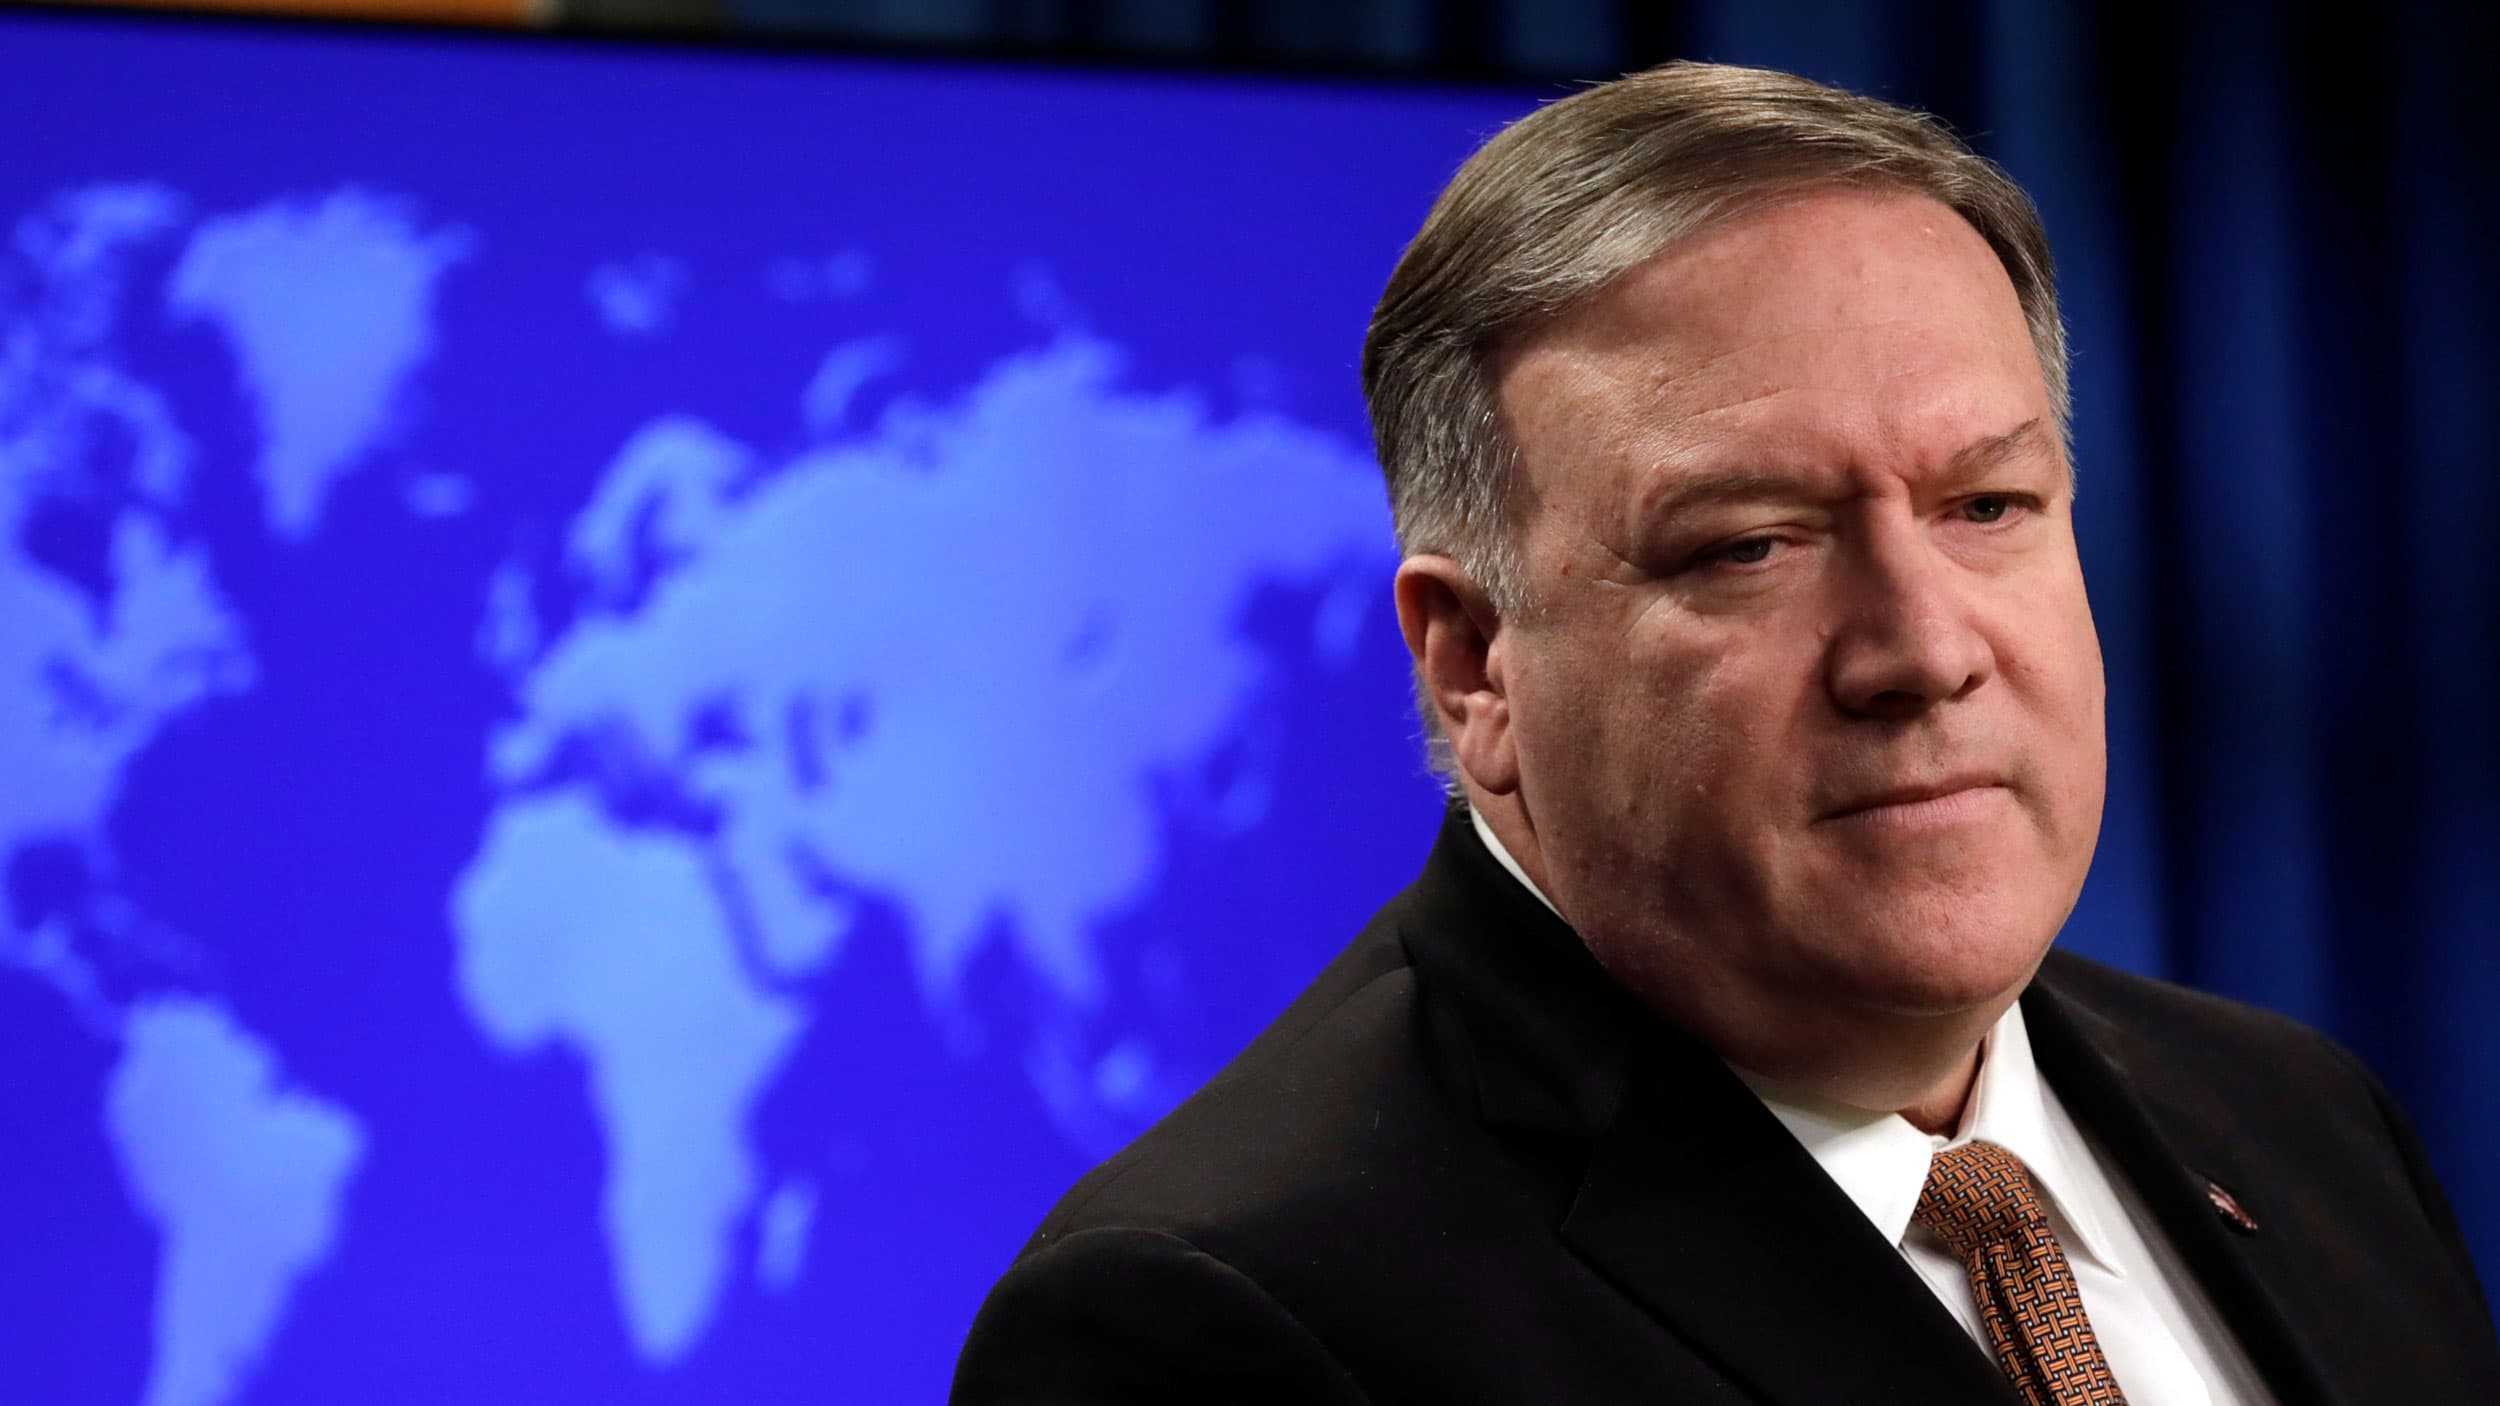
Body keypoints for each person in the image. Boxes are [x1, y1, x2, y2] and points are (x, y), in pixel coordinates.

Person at [950, 61, 2500, 1404]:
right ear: (1475, 664)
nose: (1923, 649)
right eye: (1750, 543)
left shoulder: (2302, 1121)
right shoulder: (1220, 1319)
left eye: (1986, 505)